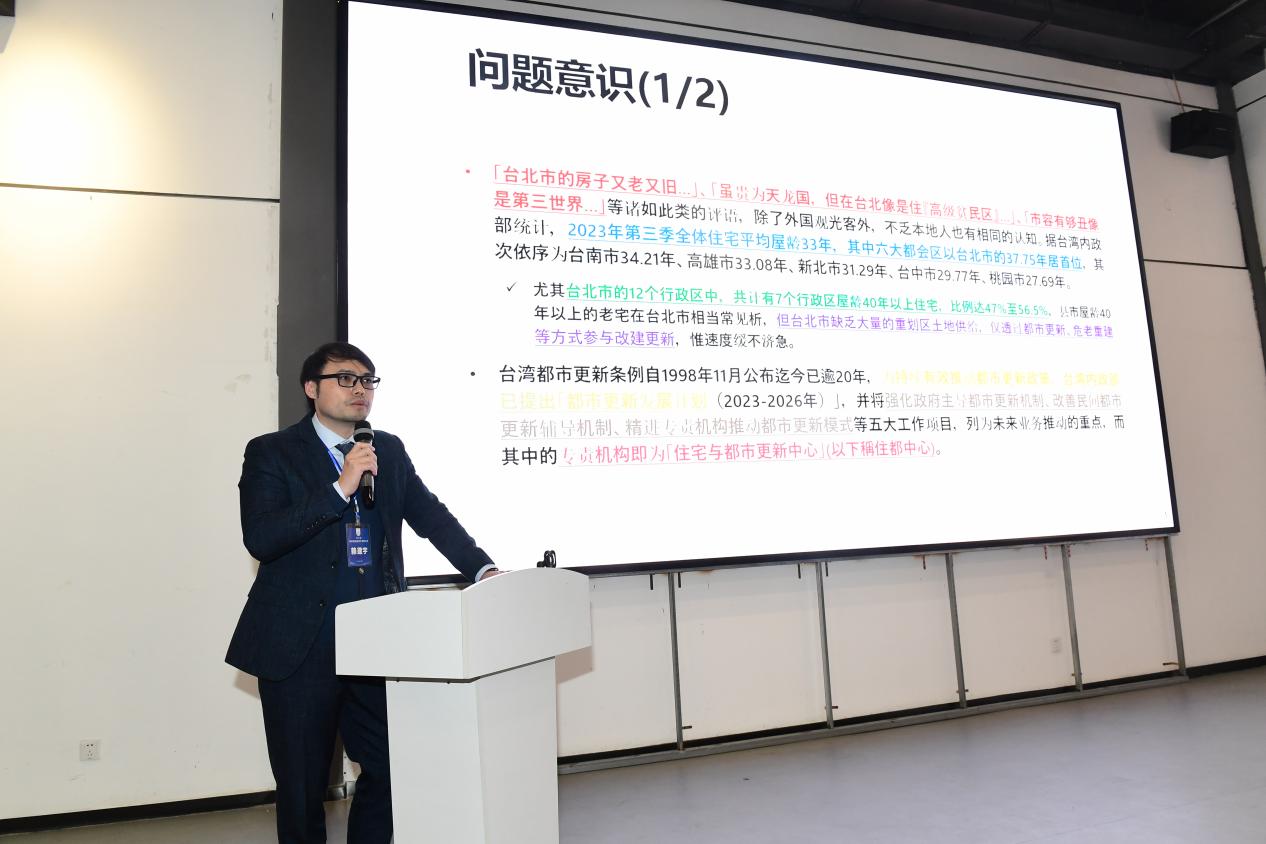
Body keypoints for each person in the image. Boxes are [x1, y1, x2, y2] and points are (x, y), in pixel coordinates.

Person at [226, 341, 500, 844]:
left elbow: (431, 516)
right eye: (346, 379)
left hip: (376, 645)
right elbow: (262, 538)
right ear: (311, 389)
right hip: (301, 646)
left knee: (393, 769)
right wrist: (339, 488)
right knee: (302, 787)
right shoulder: (272, 451)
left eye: (368, 380)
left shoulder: (386, 449)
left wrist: (482, 569)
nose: (360, 390)